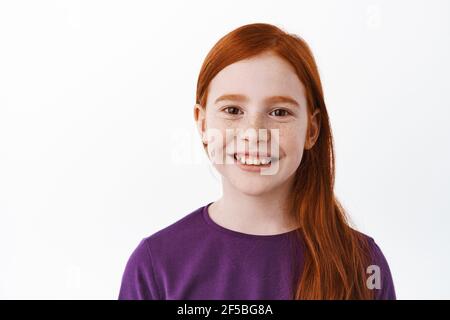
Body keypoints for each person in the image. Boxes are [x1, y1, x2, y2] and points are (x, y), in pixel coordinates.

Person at [118, 22, 396, 300]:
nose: (253, 133)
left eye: (279, 112)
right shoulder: (155, 266)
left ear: (312, 130)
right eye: (232, 110)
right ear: (202, 124)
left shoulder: (362, 265)